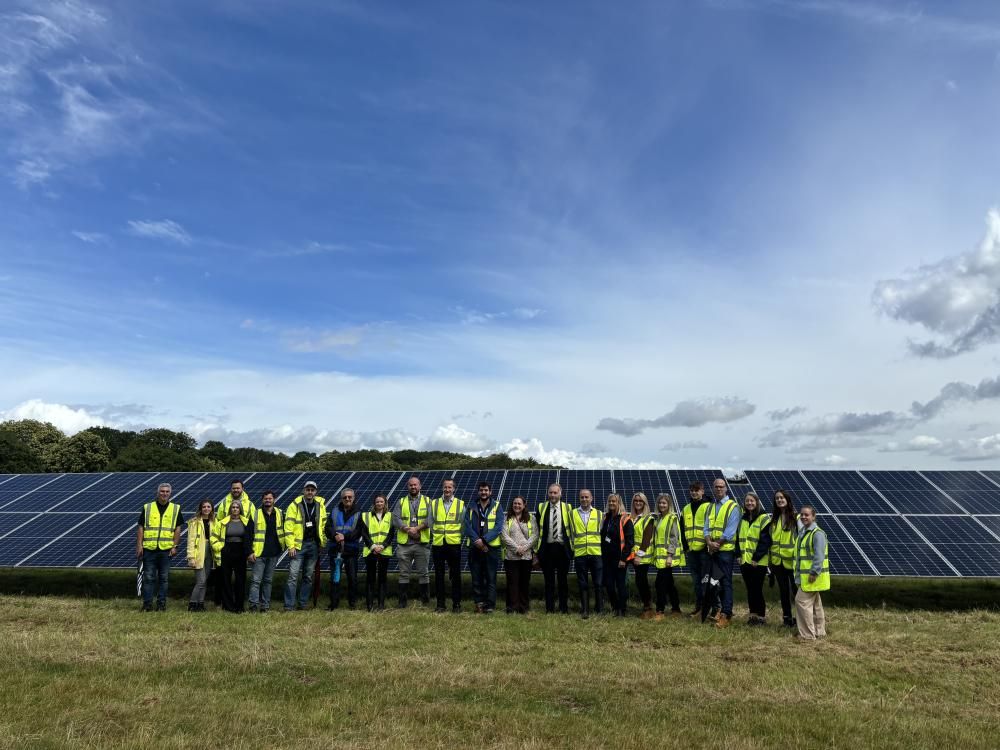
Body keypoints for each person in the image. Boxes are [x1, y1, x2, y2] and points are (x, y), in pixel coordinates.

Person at [136, 482, 183, 612]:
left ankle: (161, 604)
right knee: (148, 578)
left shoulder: (175, 508)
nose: (164, 494)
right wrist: (139, 545)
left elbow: (178, 529)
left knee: (164, 579)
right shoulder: (148, 507)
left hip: (166, 550)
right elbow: (141, 527)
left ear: (170, 493)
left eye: (167, 492)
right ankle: (147, 604)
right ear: (158, 492)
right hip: (149, 549)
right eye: (162, 491)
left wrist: (175, 546)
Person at [283, 479, 327, 611]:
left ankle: (302, 604)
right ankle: (289, 605)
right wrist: (290, 545)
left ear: (315, 492)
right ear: (303, 491)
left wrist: (322, 543)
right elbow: (288, 526)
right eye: (307, 489)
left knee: (308, 576)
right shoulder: (294, 505)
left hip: (313, 545)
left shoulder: (320, 506)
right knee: (293, 576)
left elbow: (323, 526)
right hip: (298, 545)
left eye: (312, 490)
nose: (310, 492)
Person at [703, 478, 741, 629]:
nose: (718, 489)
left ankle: (727, 613)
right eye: (716, 487)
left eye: (721, 487)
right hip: (713, 550)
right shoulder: (711, 507)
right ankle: (719, 611)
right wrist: (708, 542)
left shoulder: (733, 507)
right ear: (713, 489)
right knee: (714, 583)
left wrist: (716, 544)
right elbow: (706, 527)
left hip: (725, 552)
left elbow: (730, 531)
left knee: (725, 583)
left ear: (726, 489)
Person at [392, 476, 432, 608]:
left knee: (424, 572)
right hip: (405, 544)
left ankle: (425, 601)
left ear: (420, 486)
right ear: (407, 487)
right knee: (403, 573)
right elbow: (396, 519)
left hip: (422, 543)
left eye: (415, 485)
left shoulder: (428, 501)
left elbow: (431, 518)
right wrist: (408, 530)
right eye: (411, 485)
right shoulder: (401, 501)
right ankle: (402, 602)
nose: (413, 487)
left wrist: (417, 529)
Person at [464, 481, 503, 613]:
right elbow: (467, 526)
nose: (483, 492)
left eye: (486, 490)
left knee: (491, 577)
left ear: (490, 492)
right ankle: (479, 603)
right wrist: (477, 541)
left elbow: (498, 526)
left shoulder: (497, 506)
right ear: (478, 492)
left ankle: (490, 605)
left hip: (491, 548)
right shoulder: (471, 506)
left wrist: (484, 541)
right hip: (475, 547)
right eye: (481, 490)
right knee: (477, 577)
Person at [535, 482, 573, 614]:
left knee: (563, 581)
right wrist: (537, 551)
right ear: (548, 493)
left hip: (563, 549)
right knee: (549, 581)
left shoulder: (568, 508)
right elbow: (537, 530)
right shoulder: (541, 507)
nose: (552, 495)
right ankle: (549, 608)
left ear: (560, 494)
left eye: (555, 492)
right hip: (547, 550)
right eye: (550, 492)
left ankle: (564, 608)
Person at [794, 505, 830, 641]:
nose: (803, 517)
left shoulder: (817, 533)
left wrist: (814, 572)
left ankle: (807, 635)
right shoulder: (804, 532)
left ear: (813, 516)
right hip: (808, 576)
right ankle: (819, 631)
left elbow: (819, 555)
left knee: (801, 601)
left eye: (806, 515)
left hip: (813, 576)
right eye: (802, 514)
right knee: (815, 604)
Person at [212, 498, 254, 613]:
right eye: (233, 507)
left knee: (240, 579)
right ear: (230, 509)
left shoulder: (247, 522)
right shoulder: (222, 522)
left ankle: (239, 606)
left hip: (241, 551)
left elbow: (251, 537)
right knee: (226, 579)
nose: (235, 509)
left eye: (237, 507)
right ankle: (228, 605)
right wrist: (220, 547)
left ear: (240, 509)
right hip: (226, 550)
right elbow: (213, 537)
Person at [431, 478, 465, 613]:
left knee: (456, 575)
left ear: (454, 489)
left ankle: (456, 604)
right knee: (439, 575)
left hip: (453, 544)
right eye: (445, 487)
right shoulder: (434, 503)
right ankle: (440, 605)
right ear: (442, 488)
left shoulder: (460, 504)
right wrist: (438, 534)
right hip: (438, 543)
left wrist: (455, 536)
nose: (447, 490)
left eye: (450, 487)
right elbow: (430, 521)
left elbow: (463, 525)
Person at [325, 487, 362, 610]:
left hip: (351, 550)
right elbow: (328, 528)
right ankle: (333, 604)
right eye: (345, 497)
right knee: (335, 578)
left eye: (349, 497)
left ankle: (352, 603)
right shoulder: (334, 511)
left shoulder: (359, 513)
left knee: (352, 578)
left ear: (353, 498)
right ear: (341, 498)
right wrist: (335, 535)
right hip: (335, 550)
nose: (347, 499)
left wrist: (344, 536)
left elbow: (358, 531)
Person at [248, 490, 285, 613]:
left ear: (274, 499)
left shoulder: (280, 513)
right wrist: (249, 552)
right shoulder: (255, 514)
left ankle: (265, 605)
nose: (268, 500)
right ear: (262, 500)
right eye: (265, 499)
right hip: (258, 554)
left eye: (270, 498)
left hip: (274, 553)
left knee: (268, 581)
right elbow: (248, 534)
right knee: (256, 581)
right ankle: (253, 605)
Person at [500, 495, 537, 614]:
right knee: (512, 583)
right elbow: (504, 535)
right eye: (515, 503)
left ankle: (523, 607)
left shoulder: (531, 518)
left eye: (519, 504)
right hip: (511, 556)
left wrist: (525, 548)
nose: (517, 505)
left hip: (526, 556)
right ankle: (512, 607)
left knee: (524, 582)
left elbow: (535, 535)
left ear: (524, 505)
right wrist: (517, 548)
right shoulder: (507, 518)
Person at [569, 489, 603, 619]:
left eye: (586, 497)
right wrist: (573, 549)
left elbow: (602, 532)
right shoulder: (572, 514)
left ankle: (599, 610)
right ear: (579, 499)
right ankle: (585, 610)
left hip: (596, 553)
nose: (584, 499)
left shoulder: (599, 514)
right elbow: (571, 533)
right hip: (580, 553)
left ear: (591, 498)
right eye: (582, 497)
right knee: (582, 583)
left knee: (598, 583)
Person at [738, 492, 771, 625]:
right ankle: (752, 615)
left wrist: (756, 558)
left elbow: (765, 541)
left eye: (752, 501)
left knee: (757, 589)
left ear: (757, 502)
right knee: (750, 589)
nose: (749, 503)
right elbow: (737, 539)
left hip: (758, 562)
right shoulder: (743, 519)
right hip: (745, 561)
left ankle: (761, 616)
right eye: (747, 501)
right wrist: (738, 555)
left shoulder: (764, 518)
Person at [681, 481, 711, 618]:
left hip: (705, 550)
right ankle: (699, 607)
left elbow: (712, 526)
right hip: (692, 551)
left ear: (702, 491)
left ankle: (709, 608)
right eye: (692, 490)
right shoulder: (686, 508)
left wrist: (708, 545)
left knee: (706, 581)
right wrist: (686, 547)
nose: (694, 492)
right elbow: (682, 529)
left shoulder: (708, 507)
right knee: (696, 581)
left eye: (697, 490)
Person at [769, 489, 799, 628]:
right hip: (777, 562)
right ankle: (787, 618)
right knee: (783, 591)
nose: (779, 500)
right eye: (777, 498)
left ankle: (800, 619)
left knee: (796, 591)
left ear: (787, 499)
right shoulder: (774, 519)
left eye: (781, 498)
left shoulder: (796, 518)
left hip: (792, 562)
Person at [601, 493, 634, 617]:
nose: (611, 504)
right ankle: (615, 606)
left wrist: (623, 559)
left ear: (619, 503)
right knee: (609, 585)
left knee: (621, 585)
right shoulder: (606, 518)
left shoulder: (625, 519)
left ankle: (622, 609)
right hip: (606, 558)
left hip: (620, 559)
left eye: (614, 501)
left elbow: (630, 541)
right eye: (609, 501)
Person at [651, 493, 684, 619]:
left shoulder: (672, 518)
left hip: (667, 557)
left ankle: (660, 611)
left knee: (660, 584)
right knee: (669, 583)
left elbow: (674, 538)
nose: (661, 505)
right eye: (660, 503)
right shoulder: (658, 518)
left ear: (669, 505)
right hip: (660, 557)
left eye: (664, 503)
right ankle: (676, 608)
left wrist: (670, 555)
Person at [359, 494, 393, 611]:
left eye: (381, 502)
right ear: (374, 504)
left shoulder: (390, 516)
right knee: (370, 578)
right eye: (377, 502)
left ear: (385, 503)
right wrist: (373, 546)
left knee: (382, 578)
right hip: (370, 551)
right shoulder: (366, 516)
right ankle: (369, 605)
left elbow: (391, 534)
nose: (379, 504)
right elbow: (364, 533)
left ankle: (381, 604)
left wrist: (383, 546)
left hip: (385, 551)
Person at [186, 499, 217, 612]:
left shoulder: (215, 521)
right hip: (198, 553)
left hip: (210, 552)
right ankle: (192, 604)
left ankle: (200, 604)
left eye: (209, 507)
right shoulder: (194, 522)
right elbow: (190, 540)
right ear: (200, 508)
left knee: (205, 580)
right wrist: (191, 557)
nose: (206, 509)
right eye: (204, 507)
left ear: (212, 508)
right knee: (201, 581)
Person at [629, 492, 655, 619]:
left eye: (640, 501)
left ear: (645, 503)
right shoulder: (632, 517)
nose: (638, 503)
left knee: (641, 581)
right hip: (632, 554)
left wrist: (639, 555)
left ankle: (648, 607)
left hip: (642, 556)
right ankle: (646, 606)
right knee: (639, 581)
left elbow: (646, 539)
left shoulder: (648, 518)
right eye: (635, 501)